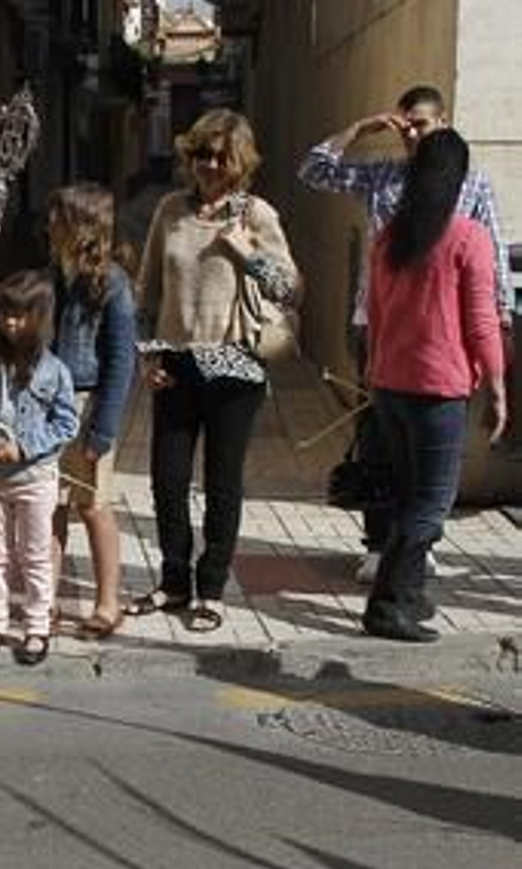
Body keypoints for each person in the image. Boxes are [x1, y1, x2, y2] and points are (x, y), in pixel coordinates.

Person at [298, 84, 512, 583]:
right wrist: (360, 130)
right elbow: (314, 170)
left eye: (421, 124)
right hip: (380, 326)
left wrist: (498, 320)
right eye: (405, 125)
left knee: (431, 447)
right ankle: (380, 543)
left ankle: (417, 545)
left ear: (444, 122)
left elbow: (492, 252)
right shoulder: (383, 176)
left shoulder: (470, 184)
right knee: (379, 439)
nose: (411, 134)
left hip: (442, 336)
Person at [132, 109, 300, 633]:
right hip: (177, 360)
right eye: (201, 154)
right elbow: (147, 292)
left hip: (234, 360)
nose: (208, 164)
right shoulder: (170, 210)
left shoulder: (256, 215)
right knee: (167, 480)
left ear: (240, 162)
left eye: (220, 156)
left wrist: (247, 252)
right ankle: (174, 581)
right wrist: (149, 356)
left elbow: (289, 288)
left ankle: (211, 588)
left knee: (222, 483)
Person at [361, 130, 507, 641]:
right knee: (432, 503)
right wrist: (497, 385)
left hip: (390, 383)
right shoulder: (468, 237)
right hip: (439, 389)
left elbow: (375, 312)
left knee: (409, 496)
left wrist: (374, 369)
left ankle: (411, 594)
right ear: (459, 178)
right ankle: (386, 605)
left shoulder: (389, 236)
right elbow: (482, 321)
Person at [0, 272, 79, 666]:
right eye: (5, 313)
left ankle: (37, 626)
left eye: (20, 315)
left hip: (36, 479)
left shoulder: (54, 370)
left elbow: (67, 424)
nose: (10, 322)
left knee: (35, 555)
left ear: (39, 318)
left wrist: (24, 447)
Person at [46, 184, 137, 638]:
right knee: (49, 506)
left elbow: (121, 361)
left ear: (80, 226)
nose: (48, 224)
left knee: (93, 506)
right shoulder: (52, 275)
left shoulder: (112, 284)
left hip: (87, 406)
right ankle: (45, 601)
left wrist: (103, 429)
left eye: (56, 217)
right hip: (47, 405)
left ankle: (107, 602)